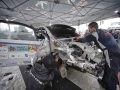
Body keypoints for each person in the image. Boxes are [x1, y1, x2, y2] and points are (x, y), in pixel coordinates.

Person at [75, 22, 120, 90]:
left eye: (89, 28)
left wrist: (77, 39)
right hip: (116, 49)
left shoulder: (95, 33)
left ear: (93, 28)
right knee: (107, 68)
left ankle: (110, 87)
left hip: (111, 53)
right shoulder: (102, 31)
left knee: (112, 73)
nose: (89, 30)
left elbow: (84, 40)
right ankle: (104, 82)